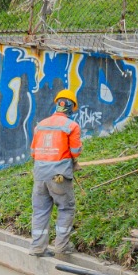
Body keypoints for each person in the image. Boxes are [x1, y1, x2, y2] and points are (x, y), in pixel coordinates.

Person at [29, 89, 83, 257]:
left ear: (57, 104)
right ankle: (62, 247)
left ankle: (37, 249)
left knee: (40, 211)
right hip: (59, 176)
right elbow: (75, 151)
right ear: (71, 107)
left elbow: (33, 152)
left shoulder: (41, 125)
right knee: (66, 208)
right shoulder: (71, 126)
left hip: (40, 176)